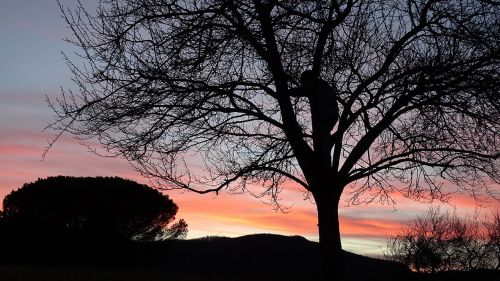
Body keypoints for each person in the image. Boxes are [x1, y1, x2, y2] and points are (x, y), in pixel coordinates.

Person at [289, 70, 339, 163]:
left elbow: (301, 90)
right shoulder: (322, 84)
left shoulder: (315, 84)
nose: (303, 84)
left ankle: (323, 164)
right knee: (323, 138)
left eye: (303, 82)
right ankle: (324, 159)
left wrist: (286, 92)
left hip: (326, 115)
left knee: (322, 142)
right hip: (331, 115)